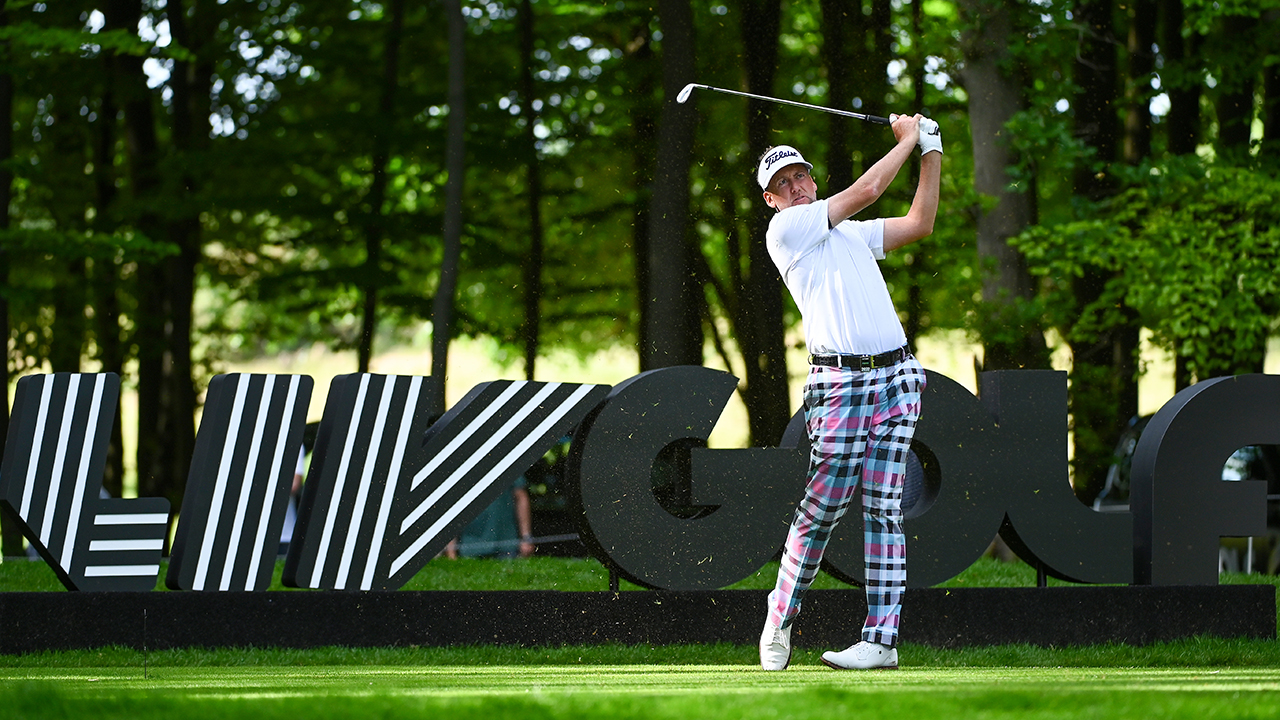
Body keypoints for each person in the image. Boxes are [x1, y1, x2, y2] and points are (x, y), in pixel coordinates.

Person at [757, 113, 942, 671]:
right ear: (771, 200)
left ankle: (880, 641)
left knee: (885, 508)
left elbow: (919, 223)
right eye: (782, 185)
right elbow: (867, 189)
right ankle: (780, 616)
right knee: (823, 510)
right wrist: (907, 139)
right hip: (839, 385)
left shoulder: (851, 234)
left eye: (801, 176)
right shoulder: (786, 231)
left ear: (812, 177)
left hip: (898, 378)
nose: (795, 187)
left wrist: (930, 151)